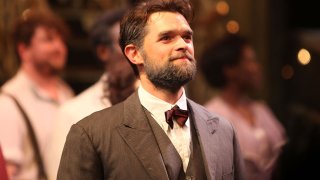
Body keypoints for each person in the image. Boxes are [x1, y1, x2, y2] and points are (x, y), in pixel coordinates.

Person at [57, 0, 246, 179]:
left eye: (187, 37)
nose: (183, 45)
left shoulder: (224, 131)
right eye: (166, 38)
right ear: (135, 54)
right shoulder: (91, 135)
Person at [44, 9, 134, 180]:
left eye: (140, 42)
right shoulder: (74, 113)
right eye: (125, 44)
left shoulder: (161, 103)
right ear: (103, 52)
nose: (135, 52)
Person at [199, 34, 287, 180]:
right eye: (251, 61)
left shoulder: (261, 109)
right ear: (230, 70)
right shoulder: (211, 116)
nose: (258, 67)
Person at [0, 9, 74, 179]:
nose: (59, 47)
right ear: (24, 50)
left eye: (62, 40)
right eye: (48, 39)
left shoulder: (66, 92)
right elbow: (7, 171)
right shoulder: (9, 101)